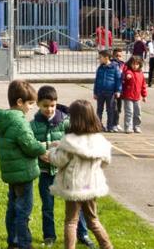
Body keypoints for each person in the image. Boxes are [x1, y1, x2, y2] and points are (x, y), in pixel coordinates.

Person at [30, 86, 94, 248]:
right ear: (38, 104)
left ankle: (83, 234)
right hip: (46, 172)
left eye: (52, 105)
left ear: (56, 104)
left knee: (76, 205)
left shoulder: (65, 122)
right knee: (48, 206)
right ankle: (49, 236)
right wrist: (41, 152)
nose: (49, 109)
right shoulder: (33, 125)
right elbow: (32, 146)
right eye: (45, 106)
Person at [49, 99, 114, 249]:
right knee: (93, 220)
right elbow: (105, 162)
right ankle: (107, 246)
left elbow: (59, 160)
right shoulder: (100, 141)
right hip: (91, 186)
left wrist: (52, 151)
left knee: (71, 221)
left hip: (74, 186)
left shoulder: (70, 141)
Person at [0, 80, 47, 249]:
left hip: (12, 173)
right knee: (23, 211)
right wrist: (43, 147)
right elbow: (30, 146)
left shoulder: (4, 120)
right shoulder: (19, 122)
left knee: (13, 208)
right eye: (30, 103)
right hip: (23, 173)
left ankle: (13, 241)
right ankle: (24, 244)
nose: (32, 107)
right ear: (19, 102)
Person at [93, 49, 121, 133]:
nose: (99, 59)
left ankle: (110, 126)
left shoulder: (115, 67)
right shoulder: (100, 68)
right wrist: (95, 92)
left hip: (111, 92)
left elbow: (118, 80)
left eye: (100, 57)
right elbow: (96, 81)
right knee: (99, 110)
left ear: (106, 57)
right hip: (100, 92)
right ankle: (98, 126)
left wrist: (118, 90)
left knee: (110, 110)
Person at [121, 56, 147, 134]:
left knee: (138, 113)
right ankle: (128, 127)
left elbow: (143, 85)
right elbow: (125, 76)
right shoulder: (128, 72)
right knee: (129, 112)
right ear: (130, 64)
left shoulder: (140, 74)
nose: (135, 66)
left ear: (139, 65)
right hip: (128, 96)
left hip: (137, 97)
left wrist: (144, 95)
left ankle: (136, 126)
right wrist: (127, 76)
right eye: (133, 64)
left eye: (137, 64)